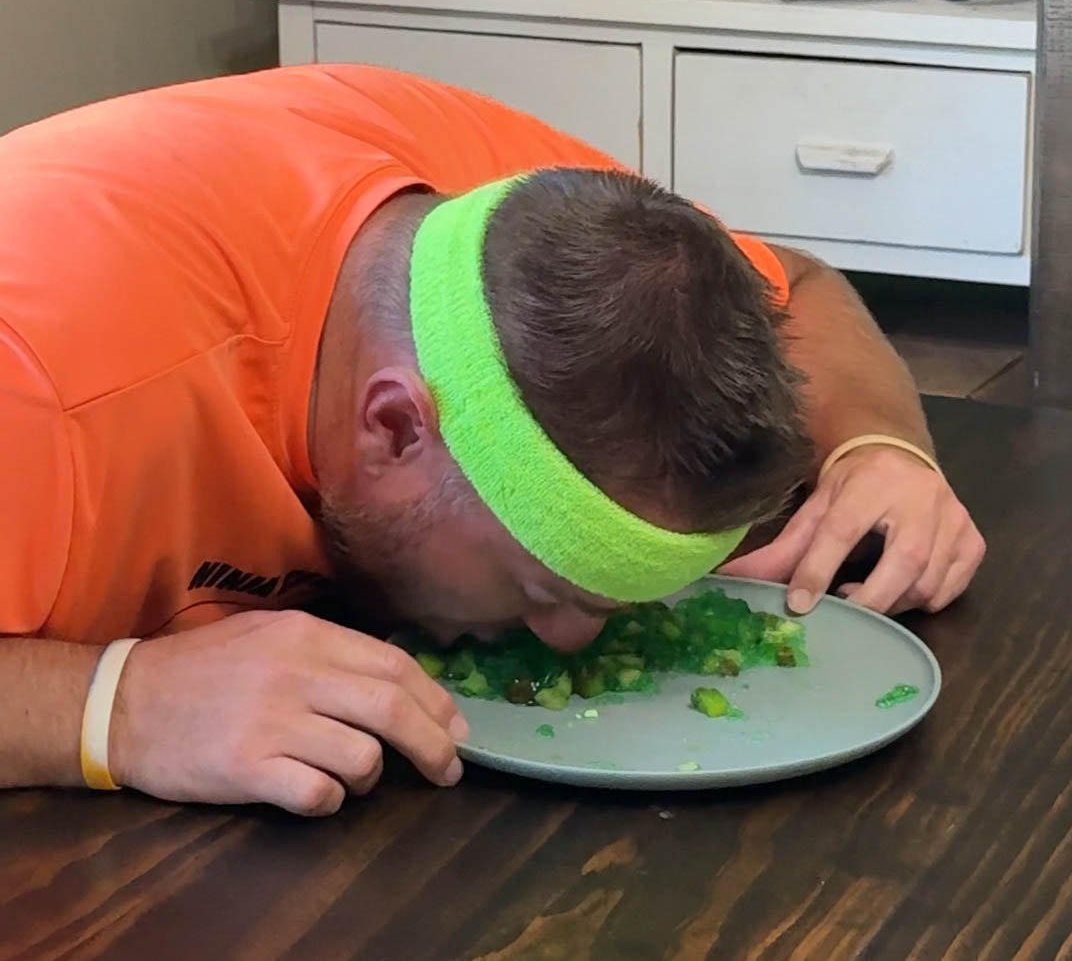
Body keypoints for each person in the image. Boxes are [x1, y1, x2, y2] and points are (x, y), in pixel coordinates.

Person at [0, 65, 984, 816]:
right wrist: (113, 707)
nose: (576, 640)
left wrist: (877, 445)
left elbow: (799, 288)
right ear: (394, 427)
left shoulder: (514, 218)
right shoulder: (43, 383)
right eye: (546, 591)